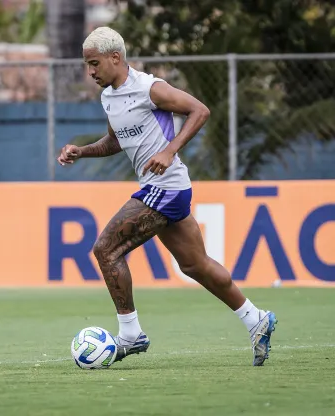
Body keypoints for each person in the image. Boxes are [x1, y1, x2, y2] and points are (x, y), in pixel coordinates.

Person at [57, 27, 278, 366]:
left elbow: (199, 110)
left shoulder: (150, 88)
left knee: (105, 249)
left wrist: (170, 150)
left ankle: (130, 335)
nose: (91, 71)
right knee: (195, 265)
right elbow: (116, 141)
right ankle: (255, 318)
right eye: (88, 65)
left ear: (116, 58)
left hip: (166, 187)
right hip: (159, 189)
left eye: (94, 63)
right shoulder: (108, 98)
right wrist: (81, 151)